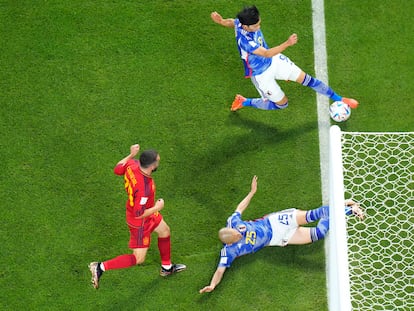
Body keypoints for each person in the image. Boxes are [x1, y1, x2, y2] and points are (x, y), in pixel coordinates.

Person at [199, 175, 363, 293]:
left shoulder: (233, 223)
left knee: (313, 214)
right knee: (318, 234)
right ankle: (340, 207)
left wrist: (252, 192)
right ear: (230, 242)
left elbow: (239, 209)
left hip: (276, 221)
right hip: (278, 238)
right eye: (237, 237)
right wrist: (213, 285)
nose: (239, 233)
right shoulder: (229, 252)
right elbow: (220, 270)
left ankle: (349, 209)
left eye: (237, 232)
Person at [210, 6, 359, 112]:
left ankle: (340, 99)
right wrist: (287, 43)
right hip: (261, 75)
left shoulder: (241, 23)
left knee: (307, 79)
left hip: (275, 61)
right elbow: (266, 53)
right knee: (282, 105)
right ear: (247, 27)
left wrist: (222, 21)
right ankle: (244, 101)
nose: (259, 26)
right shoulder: (245, 41)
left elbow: (233, 22)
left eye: (259, 23)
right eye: (256, 25)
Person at [89, 144, 186, 289]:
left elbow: (117, 169)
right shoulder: (144, 188)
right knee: (138, 258)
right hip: (140, 223)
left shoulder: (132, 164)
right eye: (157, 162)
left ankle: (167, 268)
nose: (158, 163)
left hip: (148, 215)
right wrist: (157, 208)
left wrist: (130, 155)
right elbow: (139, 214)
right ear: (152, 166)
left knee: (164, 231)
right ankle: (100, 267)